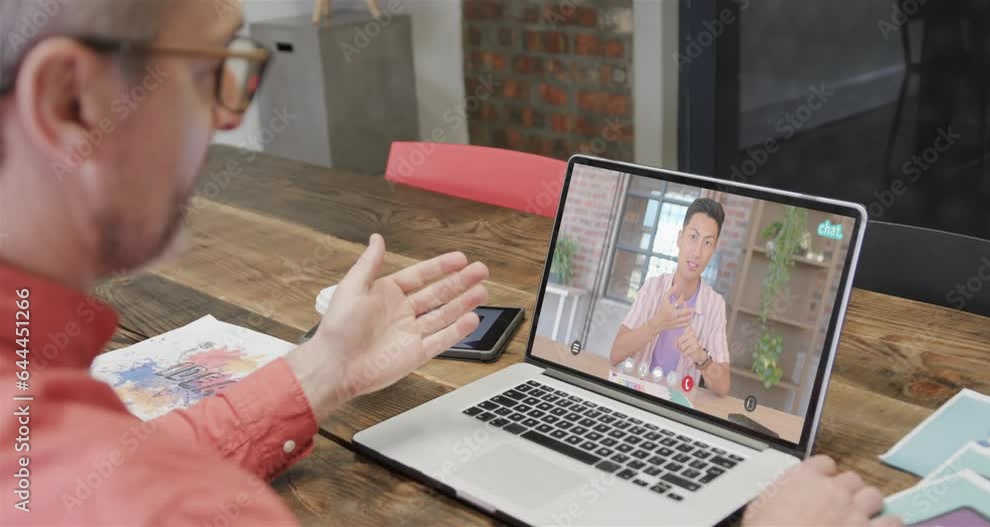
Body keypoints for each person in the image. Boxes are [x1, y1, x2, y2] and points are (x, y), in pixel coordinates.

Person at [0, 2, 899, 525]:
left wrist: (321, 370)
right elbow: (131, 487)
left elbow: (102, 474)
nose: (229, 119)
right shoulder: (169, 502)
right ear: (69, 101)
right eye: (211, 73)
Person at [610, 198, 732, 397]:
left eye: (707, 243)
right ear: (679, 238)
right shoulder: (653, 288)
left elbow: (723, 386)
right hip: (635, 396)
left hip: (676, 406)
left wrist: (701, 356)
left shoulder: (714, 305)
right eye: (693, 237)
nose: (697, 251)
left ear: (713, 250)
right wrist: (656, 324)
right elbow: (616, 353)